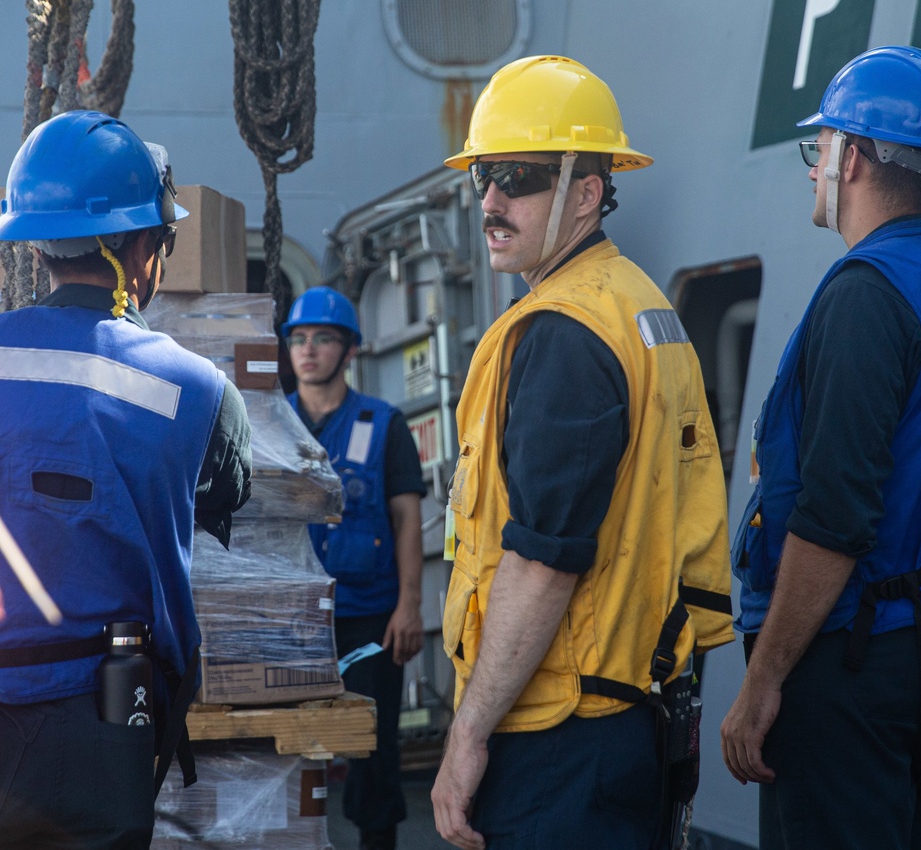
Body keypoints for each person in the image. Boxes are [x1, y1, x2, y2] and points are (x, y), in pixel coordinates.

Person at [429, 55, 734, 850]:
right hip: (627, 713)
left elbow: (543, 562)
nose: (491, 201)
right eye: (483, 176)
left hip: (559, 734)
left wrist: (466, 734)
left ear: (587, 193)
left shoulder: (565, 332)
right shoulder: (636, 302)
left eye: (519, 178)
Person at [721, 45, 921, 848]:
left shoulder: (863, 299)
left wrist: (765, 680)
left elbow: (834, 518)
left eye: (822, 148)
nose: (816, 166)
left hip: (852, 661)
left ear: (849, 156)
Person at [0, 109, 252, 848]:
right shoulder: (196, 389)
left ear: (39, 243)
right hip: (100, 723)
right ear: (144, 245)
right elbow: (221, 497)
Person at [282, 286, 425, 850]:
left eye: (323, 338)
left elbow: (407, 519)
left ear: (349, 351)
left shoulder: (382, 424)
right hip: (294, 622)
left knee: (372, 745)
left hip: (368, 618)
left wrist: (410, 606)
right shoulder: (270, 424)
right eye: (298, 339)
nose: (308, 350)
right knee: (292, 742)